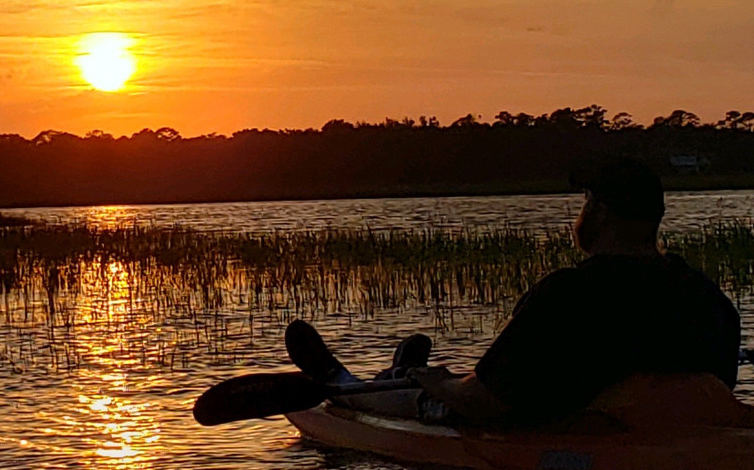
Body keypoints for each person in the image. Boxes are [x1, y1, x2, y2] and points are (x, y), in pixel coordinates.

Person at [293, 158, 742, 426]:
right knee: (442, 380)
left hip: (561, 431)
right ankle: (400, 370)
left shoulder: (569, 294)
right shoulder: (708, 297)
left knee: (429, 396)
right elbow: (713, 392)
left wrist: (439, 384)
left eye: (586, 200)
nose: (582, 211)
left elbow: (486, 403)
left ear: (601, 212)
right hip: (670, 435)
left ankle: (344, 385)